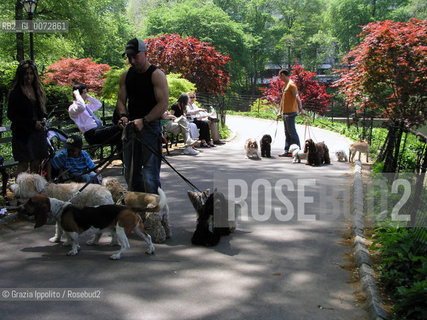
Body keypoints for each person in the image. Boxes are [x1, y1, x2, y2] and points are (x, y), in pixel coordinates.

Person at [116, 38, 169, 193]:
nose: (132, 61)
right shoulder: (125, 76)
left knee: (149, 175)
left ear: (145, 54)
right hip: (131, 127)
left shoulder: (156, 75)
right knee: (130, 173)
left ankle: (155, 213)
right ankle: (136, 213)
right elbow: (120, 100)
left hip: (150, 128)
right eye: (129, 57)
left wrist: (144, 120)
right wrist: (123, 116)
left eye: (135, 56)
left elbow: (163, 104)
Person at [7, 60, 48, 176]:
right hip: (22, 134)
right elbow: (12, 115)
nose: (28, 76)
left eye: (31, 73)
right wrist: (31, 123)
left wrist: (43, 119)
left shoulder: (37, 91)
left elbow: (42, 111)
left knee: (36, 163)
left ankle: (33, 190)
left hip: (37, 133)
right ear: (21, 75)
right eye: (26, 73)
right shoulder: (16, 93)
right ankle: (20, 191)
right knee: (23, 164)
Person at [68, 84, 122, 150]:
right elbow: (81, 107)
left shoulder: (87, 106)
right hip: (92, 135)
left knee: (120, 128)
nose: (86, 95)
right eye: (84, 93)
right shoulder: (73, 108)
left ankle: (121, 154)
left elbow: (98, 104)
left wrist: (87, 97)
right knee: (118, 129)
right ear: (78, 95)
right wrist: (77, 95)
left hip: (99, 130)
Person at [276, 69, 303, 157]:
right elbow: (282, 100)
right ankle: (287, 151)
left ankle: (298, 151)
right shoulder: (285, 86)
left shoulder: (291, 85)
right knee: (287, 133)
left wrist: (300, 109)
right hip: (285, 113)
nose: (280, 78)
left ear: (283, 75)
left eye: (280, 76)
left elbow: (297, 96)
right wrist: (279, 112)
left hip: (291, 112)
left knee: (292, 132)